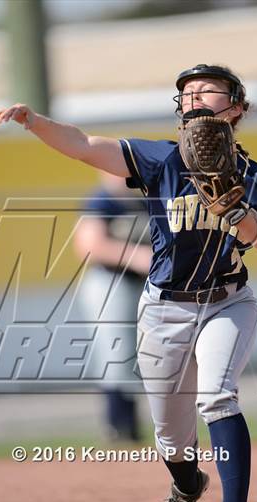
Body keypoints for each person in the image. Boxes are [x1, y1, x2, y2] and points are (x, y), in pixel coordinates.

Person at [0, 63, 257, 502]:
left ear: (236, 107)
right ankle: (187, 483)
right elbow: (86, 146)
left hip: (227, 303)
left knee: (217, 397)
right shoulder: (162, 161)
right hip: (165, 309)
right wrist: (35, 122)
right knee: (171, 438)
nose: (193, 97)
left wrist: (239, 216)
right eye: (186, 92)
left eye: (206, 90)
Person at [73, 171, 151, 441]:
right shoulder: (103, 200)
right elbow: (89, 245)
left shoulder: (145, 200)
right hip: (110, 282)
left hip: (143, 284)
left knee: (143, 357)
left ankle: (132, 428)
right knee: (116, 353)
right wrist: (137, 256)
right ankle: (118, 426)